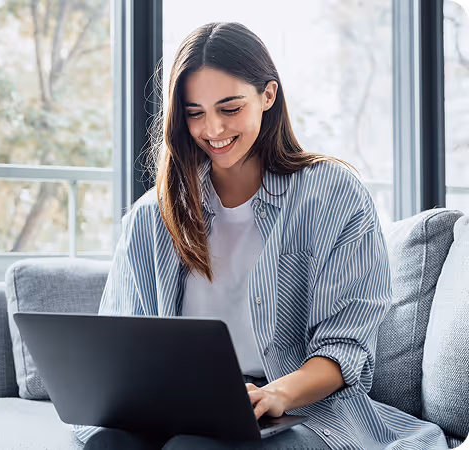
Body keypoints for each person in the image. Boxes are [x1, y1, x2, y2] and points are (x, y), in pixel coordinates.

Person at [74, 22, 449, 450]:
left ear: (267, 95)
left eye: (229, 108)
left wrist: (273, 394)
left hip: (301, 408)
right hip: (183, 405)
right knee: (108, 444)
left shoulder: (332, 194)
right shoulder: (151, 216)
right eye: (195, 113)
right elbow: (123, 346)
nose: (212, 129)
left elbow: (345, 349)